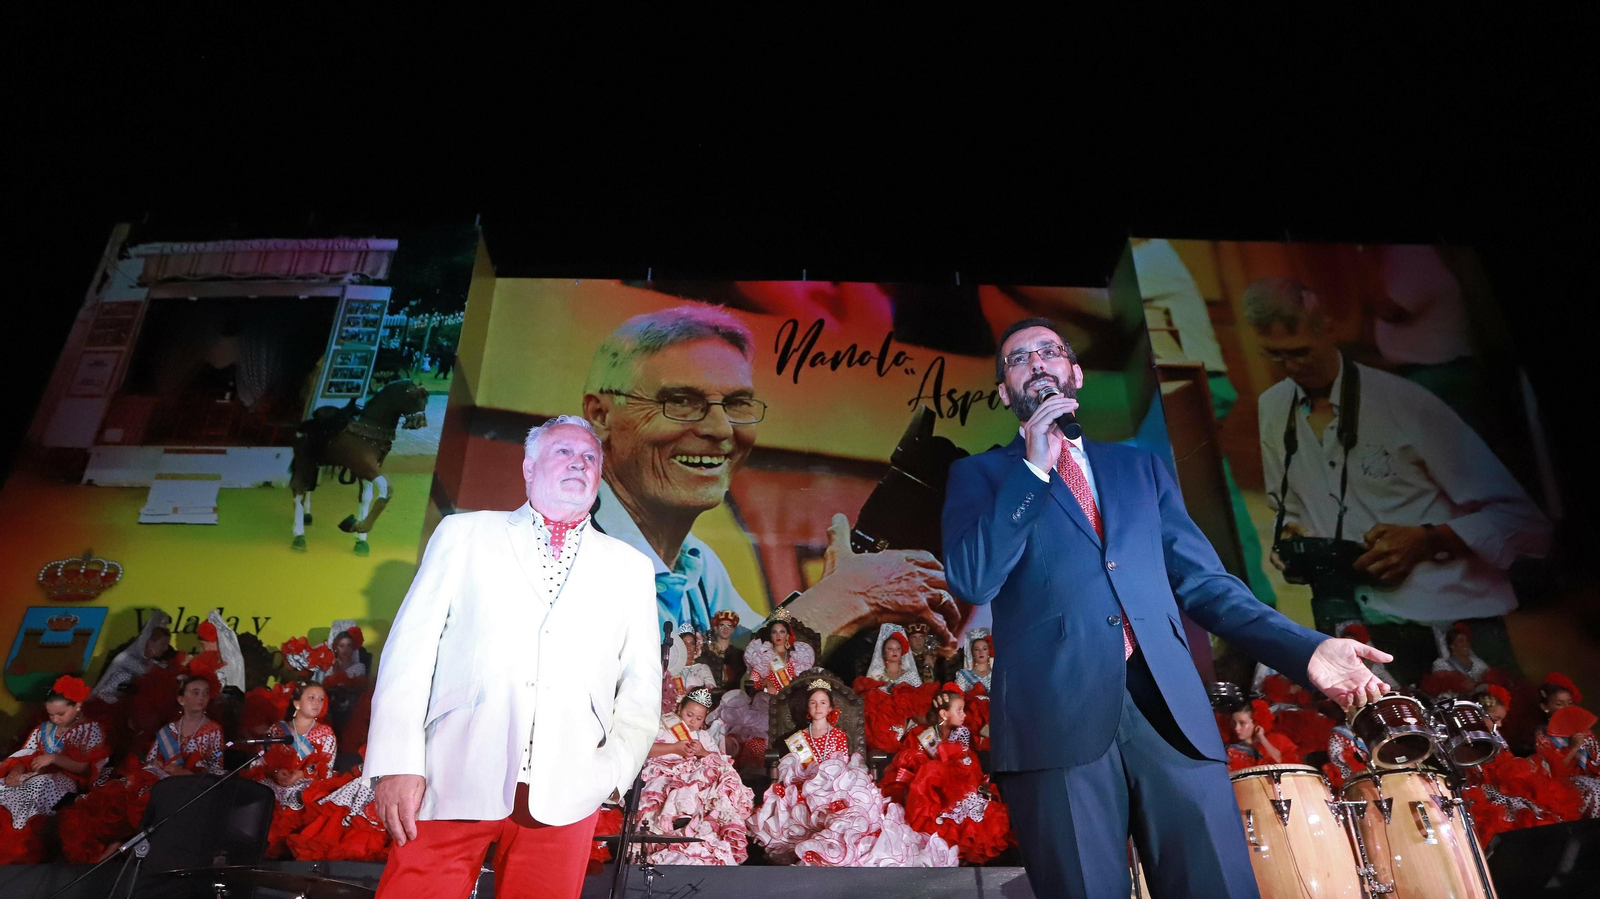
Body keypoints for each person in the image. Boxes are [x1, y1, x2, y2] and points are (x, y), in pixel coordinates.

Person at [942, 317, 1393, 898]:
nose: (1038, 362)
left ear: (1074, 373)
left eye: (1051, 351)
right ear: (1006, 392)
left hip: (1172, 716)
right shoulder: (981, 475)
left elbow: (1206, 584)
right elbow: (974, 578)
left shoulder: (1140, 469)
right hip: (1054, 725)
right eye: (1019, 358)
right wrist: (1033, 467)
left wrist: (1307, 649)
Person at [364, 415, 660, 899]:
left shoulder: (629, 568)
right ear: (528, 467)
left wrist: (610, 773)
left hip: (567, 788)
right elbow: (409, 654)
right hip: (451, 772)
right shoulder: (465, 535)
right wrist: (398, 761)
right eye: (564, 452)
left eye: (590, 458)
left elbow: (641, 685)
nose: (579, 464)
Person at [580, 304, 962, 647]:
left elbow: (751, 670)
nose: (722, 429)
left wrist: (846, 597)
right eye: (680, 401)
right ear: (601, 415)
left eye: (736, 404)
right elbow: (702, 707)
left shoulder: (697, 564)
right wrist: (846, 598)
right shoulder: (572, 559)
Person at [1248, 277, 1552, 683]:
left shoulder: (1407, 403)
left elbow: (1527, 523)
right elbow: (1286, 506)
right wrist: (1290, 532)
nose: (1291, 369)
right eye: (1275, 356)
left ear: (1329, 327)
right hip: (1349, 620)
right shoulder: (1271, 407)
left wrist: (1429, 539)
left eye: (1300, 352)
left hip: (1450, 619)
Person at [750, 679, 956, 867]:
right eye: (813, 703)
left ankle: (843, 848)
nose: (818, 707)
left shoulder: (839, 735)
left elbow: (843, 764)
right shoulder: (798, 737)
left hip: (835, 785)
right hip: (806, 783)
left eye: (823, 702)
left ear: (830, 707)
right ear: (807, 708)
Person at [883, 686, 1014, 865]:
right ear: (944, 714)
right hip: (932, 789)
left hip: (960, 787)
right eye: (959, 710)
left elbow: (965, 764)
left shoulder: (962, 733)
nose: (964, 715)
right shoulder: (923, 734)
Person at [635, 688, 753, 865]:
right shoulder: (663, 727)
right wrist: (675, 748)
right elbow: (645, 750)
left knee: (718, 778)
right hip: (664, 771)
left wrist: (702, 752)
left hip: (696, 776)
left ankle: (699, 827)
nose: (692, 722)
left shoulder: (703, 736)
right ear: (679, 708)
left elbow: (718, 761)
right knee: (669, 786)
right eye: (689, 714)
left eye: (699, 719)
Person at [0, 677, 108, 863]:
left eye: (60, 714)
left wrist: (55, 758)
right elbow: (26, 754)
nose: (55, 719)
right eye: (50, 715)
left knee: (35, 787)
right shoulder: (43, 729)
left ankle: (21, 845)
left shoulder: (91, 730)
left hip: (62, 782)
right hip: (33, 775)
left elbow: (86, 768)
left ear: (78, 706)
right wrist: (16, 770)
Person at [250, 682, 338, 857]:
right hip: (276, 782)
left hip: (307, 785)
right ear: (297, 703)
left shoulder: (326, 733)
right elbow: (258, 762)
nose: (317, 703)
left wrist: (301, 774)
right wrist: (275, 772)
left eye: (321, 699)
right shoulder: (277, 729)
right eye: (311, 698)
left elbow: (327, 770)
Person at [720, 609, 816, 768]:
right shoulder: (764, 656)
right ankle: (760, 767)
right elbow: (754, 681)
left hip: (794, 700)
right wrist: (765, 682)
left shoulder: (798, 657)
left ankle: (802, 768)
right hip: (768, 701)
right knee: (760, 724)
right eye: (774, 632)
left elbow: (806, 681)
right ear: (770, 635)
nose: (778, 635)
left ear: (788, 635)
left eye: (782, 631)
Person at [853, 624, 933, 753]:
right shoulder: (876, 675)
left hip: (908, 723)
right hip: (883, 723)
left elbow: (919, 702)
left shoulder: (910, 675)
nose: (894, 652)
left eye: (897, 649)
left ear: (902, 652)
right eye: (890, 649)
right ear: (884, 653)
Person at [1534, 673, 1600, 818]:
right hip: (1564, 784)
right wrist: (1573, 748)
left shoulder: (1584, 729)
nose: (1566, 708)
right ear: (1545, 707)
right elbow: (1551, 772)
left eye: (1569, 703)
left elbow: (1597, 758)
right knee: (1595, 792)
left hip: (1590, 777)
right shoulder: (1543, 735)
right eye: (1559, 704)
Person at [91, 613, 175, 703]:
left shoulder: (151, 662)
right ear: (149, 642)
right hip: (103, 705)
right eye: (162, 644)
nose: (166, 648)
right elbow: (149, 674)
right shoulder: (126, 658)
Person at [1221, 699, 1300, 771]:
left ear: (1256, 722)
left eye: (1242, 723)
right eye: (1234, 723)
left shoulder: (1279, 740)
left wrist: (1262, 739)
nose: (1236, 728)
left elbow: (1283, 763)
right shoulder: (1233, 751)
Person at [953, 628, 993, 751]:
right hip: (972, 720)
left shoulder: (998, 674)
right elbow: (957, 699)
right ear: (972, 653)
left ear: (989, 652)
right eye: (977, 649)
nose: (981, 652)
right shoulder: (963, 674)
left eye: (984, 649)